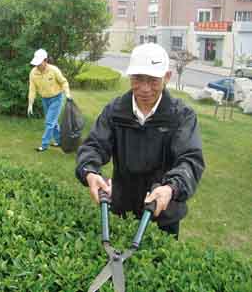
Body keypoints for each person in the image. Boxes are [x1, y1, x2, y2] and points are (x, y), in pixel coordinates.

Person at [75, 43, 205, 238]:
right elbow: (94, 145)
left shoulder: (181, 116)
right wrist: (90, 172)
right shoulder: (115, 110)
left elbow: (190, 160)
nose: (145, 89)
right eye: (137, 79)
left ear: (167, 77)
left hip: (163, 214)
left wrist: (171, 188)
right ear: (129, 77)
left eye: (153, 80)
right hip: (121, 209)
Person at [28, 49, 72, 152]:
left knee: (49, 122)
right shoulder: (33, 73)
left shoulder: (54, 70)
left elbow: (64, 82)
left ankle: (44, 145)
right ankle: (60, 141)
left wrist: (67, 93)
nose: (37, 65)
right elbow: (32, 89)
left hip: (56, 98)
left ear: (45, 60)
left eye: (39, 63)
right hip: (44, 99)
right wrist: (30, 103)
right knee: (53, 122)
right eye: (36, 63)